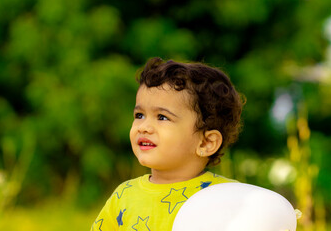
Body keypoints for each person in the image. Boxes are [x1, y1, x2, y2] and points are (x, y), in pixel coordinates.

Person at [90, 57, 245, 231]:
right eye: (139, 115)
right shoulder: (124, 196)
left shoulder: (230, 197)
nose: (144, 127)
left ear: (206, 143)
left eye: (162, 117)